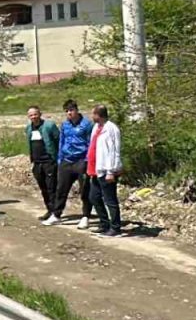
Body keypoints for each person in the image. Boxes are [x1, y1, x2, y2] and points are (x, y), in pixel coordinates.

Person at [45, 99, 96, 229]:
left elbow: (90, 143)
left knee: (84, 190)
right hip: (66, 160)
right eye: (67, 111)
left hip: (81, 160)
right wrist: (60, 158)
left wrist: (87, 160)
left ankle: (86, 216)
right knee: (61, 189)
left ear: (77, 110)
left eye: (71, 110)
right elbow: (61, 141)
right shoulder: (65, 125)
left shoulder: (87, 125)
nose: (69, 113)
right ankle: (56, 215)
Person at [87, 104, 124, 237]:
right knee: (94, 197)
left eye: (93, 114)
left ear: (98, 115)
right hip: (96, 169)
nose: (91, 116)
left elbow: (114, 151)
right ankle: (104, 223)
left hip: (107, 170)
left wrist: (111, 171)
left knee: (110, 199)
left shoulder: (111, 129)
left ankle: (115, 227)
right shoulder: (96, 127)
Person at [25, 105, 61, 221]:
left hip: (49, 162)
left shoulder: (49, 126)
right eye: (31, 115)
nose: (33, 117)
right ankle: (49, 210)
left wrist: (57, 158)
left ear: (40, 114)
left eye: (35, 114)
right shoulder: (29, 128)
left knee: (52, 188)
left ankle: (55, 212)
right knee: (43, 188)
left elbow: (58, 140)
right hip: (37, 163)